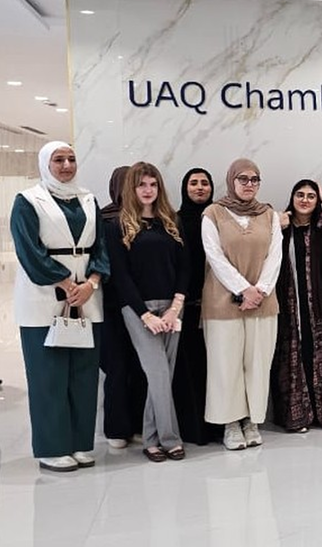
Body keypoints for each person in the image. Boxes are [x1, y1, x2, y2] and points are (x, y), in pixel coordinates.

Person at [10, 141, 110, 472]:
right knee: (48, 376)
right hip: (44, 299)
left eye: (71, 159)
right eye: (58, 160)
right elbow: (29, 251)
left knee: (83, 375)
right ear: (45, 164)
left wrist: (90, 284)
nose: (66, 165)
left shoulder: (88, 199)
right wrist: (67, 285)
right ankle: (52, 448)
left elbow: (101, 248)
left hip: (87, 298)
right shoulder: (27, 200)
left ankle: (80, 443)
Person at [109, 162, 190, 462]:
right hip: (138, 311)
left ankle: (151, 439)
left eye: (153, 184)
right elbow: (121, 276)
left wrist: (175, 308)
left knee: (164, 375)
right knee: (158, 373)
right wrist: (145, 315)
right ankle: (171, 439)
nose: (147, 190)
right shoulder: (117, 225)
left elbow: (185, 267)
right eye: (141, 184)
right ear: (131, 188)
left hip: (172, 308)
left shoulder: (172, 221)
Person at [202, 159, 282, 449]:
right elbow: (214, 257)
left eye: (255, 179)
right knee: (226, 365)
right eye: (243, 179)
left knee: (258, 364)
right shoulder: (213, 213)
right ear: (231, 181)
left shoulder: (269, 215)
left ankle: (252, 420)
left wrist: (259, 290)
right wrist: (243, 289)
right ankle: (231, 423)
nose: (249, 184)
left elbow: (275, 256)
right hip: (222, 303)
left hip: (263, 302)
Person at [272, 179, 322, 432]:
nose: (305, 200)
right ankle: (299, 417)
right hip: (291, 304)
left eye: (311, 196)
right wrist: (276, 223)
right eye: (300, 195)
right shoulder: (281, 228)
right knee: (295, 354)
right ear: (292, 198)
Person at [100, 166, 148, 449]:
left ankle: (140, 423)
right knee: (116, 367)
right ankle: (117, 429)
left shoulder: (149, 218)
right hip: (111, 304)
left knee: (142, 365)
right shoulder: (103, 218)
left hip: (143, 304)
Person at [172, 168, 219, 445]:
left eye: (204, 183)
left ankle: (218, 425)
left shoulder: (219, 218)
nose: (200, 187)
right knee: (190, 368)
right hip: (186, 305)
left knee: (216, 367)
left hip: (218, 306)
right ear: (185, 188)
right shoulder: (174, 220)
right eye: (193, 183)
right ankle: (193, 429)